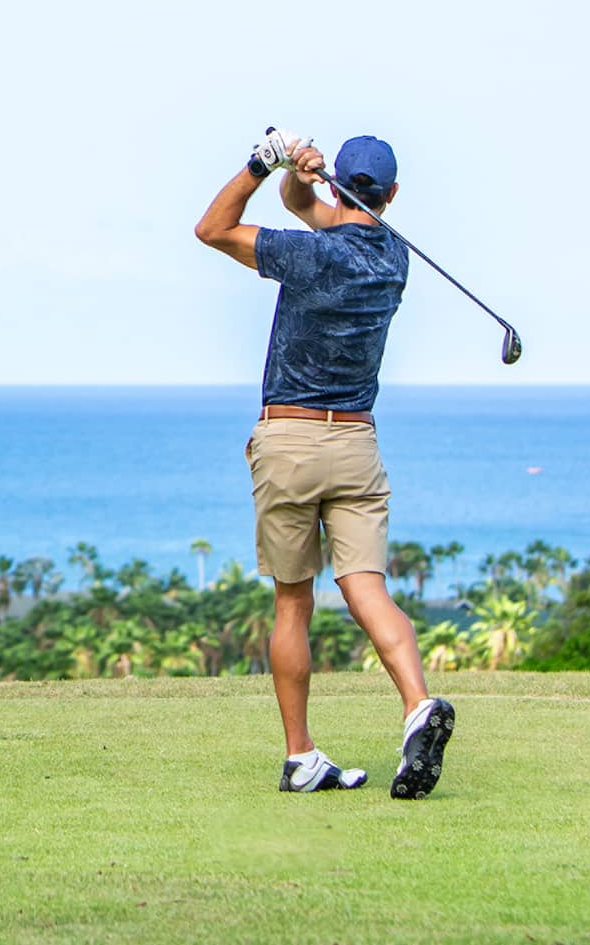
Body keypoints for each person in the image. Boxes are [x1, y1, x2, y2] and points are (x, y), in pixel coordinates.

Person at [194, 128, 455, 799]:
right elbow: (311, 210)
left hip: (289, 439)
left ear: (340, 184)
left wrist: (263, 163)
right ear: (392, 194)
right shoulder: (394, 258)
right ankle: (418, 705)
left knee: (292, 602)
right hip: (356, 445)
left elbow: (212, 228)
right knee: (367, 587)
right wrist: (300, 177)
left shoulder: (306, 255)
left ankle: (300, 757)